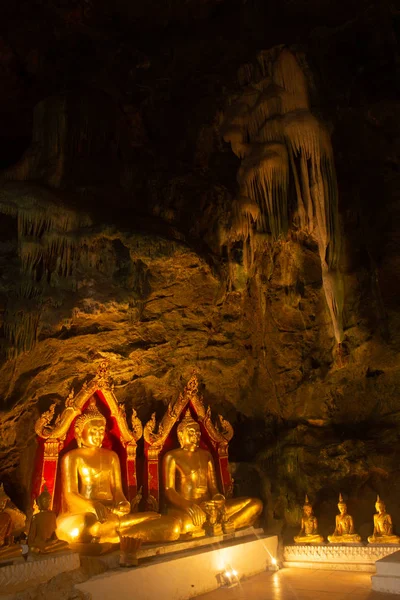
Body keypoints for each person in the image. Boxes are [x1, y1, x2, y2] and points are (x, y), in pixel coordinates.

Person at [56, 399, 180, 544]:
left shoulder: (111, 456)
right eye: (93, 431)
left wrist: (122, 503)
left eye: (101, 431)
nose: (98, 435)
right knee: (86, 526)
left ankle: (113, 538)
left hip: (114, 515)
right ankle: (122, 536)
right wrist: (93, 506)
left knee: (172, 524)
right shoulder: (72, 457)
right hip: (85, 514)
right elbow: (70, 495)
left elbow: (117, 490)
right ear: (78, 432)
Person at [162, 410, 262, 537]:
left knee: (255, 504)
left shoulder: (206, 455)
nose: (196, 436)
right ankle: (222, 523)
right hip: (190, 509)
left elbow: (213, 488)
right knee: (180, 525)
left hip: (211, 507)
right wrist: (189, 505)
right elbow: (169, 490)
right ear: (181, 434)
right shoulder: (172, 456)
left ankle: (229, 524)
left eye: (198, 433)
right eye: (191, 432)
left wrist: (218, 498)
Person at [28, 485, 70, 553]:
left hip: (49, 543)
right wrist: (32, 544)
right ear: (40, 503)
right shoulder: (36, 517)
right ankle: (45, 549)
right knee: (33, 548)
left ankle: (47, 549)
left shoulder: (52, 515)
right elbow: (31, 538)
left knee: (65, 543)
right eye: (45, 501)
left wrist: (54, 539)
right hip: (40, 543)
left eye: (49, 501)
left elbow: (54, 533)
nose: (48, 503)